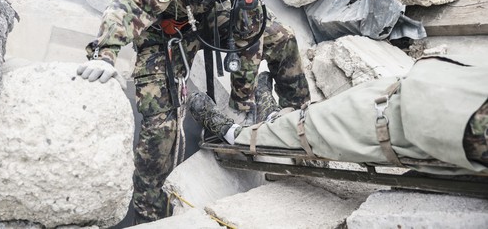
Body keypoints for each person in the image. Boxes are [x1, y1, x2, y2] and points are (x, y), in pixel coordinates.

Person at [76, 0, 310, 223]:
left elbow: (248, 35)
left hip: (212, 14)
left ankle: (300, 125)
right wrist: (105, 52)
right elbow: (132, 0)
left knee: (282, 39)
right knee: (161, 128)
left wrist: (241, 105)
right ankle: (149, 213)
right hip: (164, 29)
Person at [189, 55, 488, 173]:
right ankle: (276, 117)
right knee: (357, 100)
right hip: (439, 93)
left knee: (320, 124)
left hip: (436, 117)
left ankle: (235, 134)